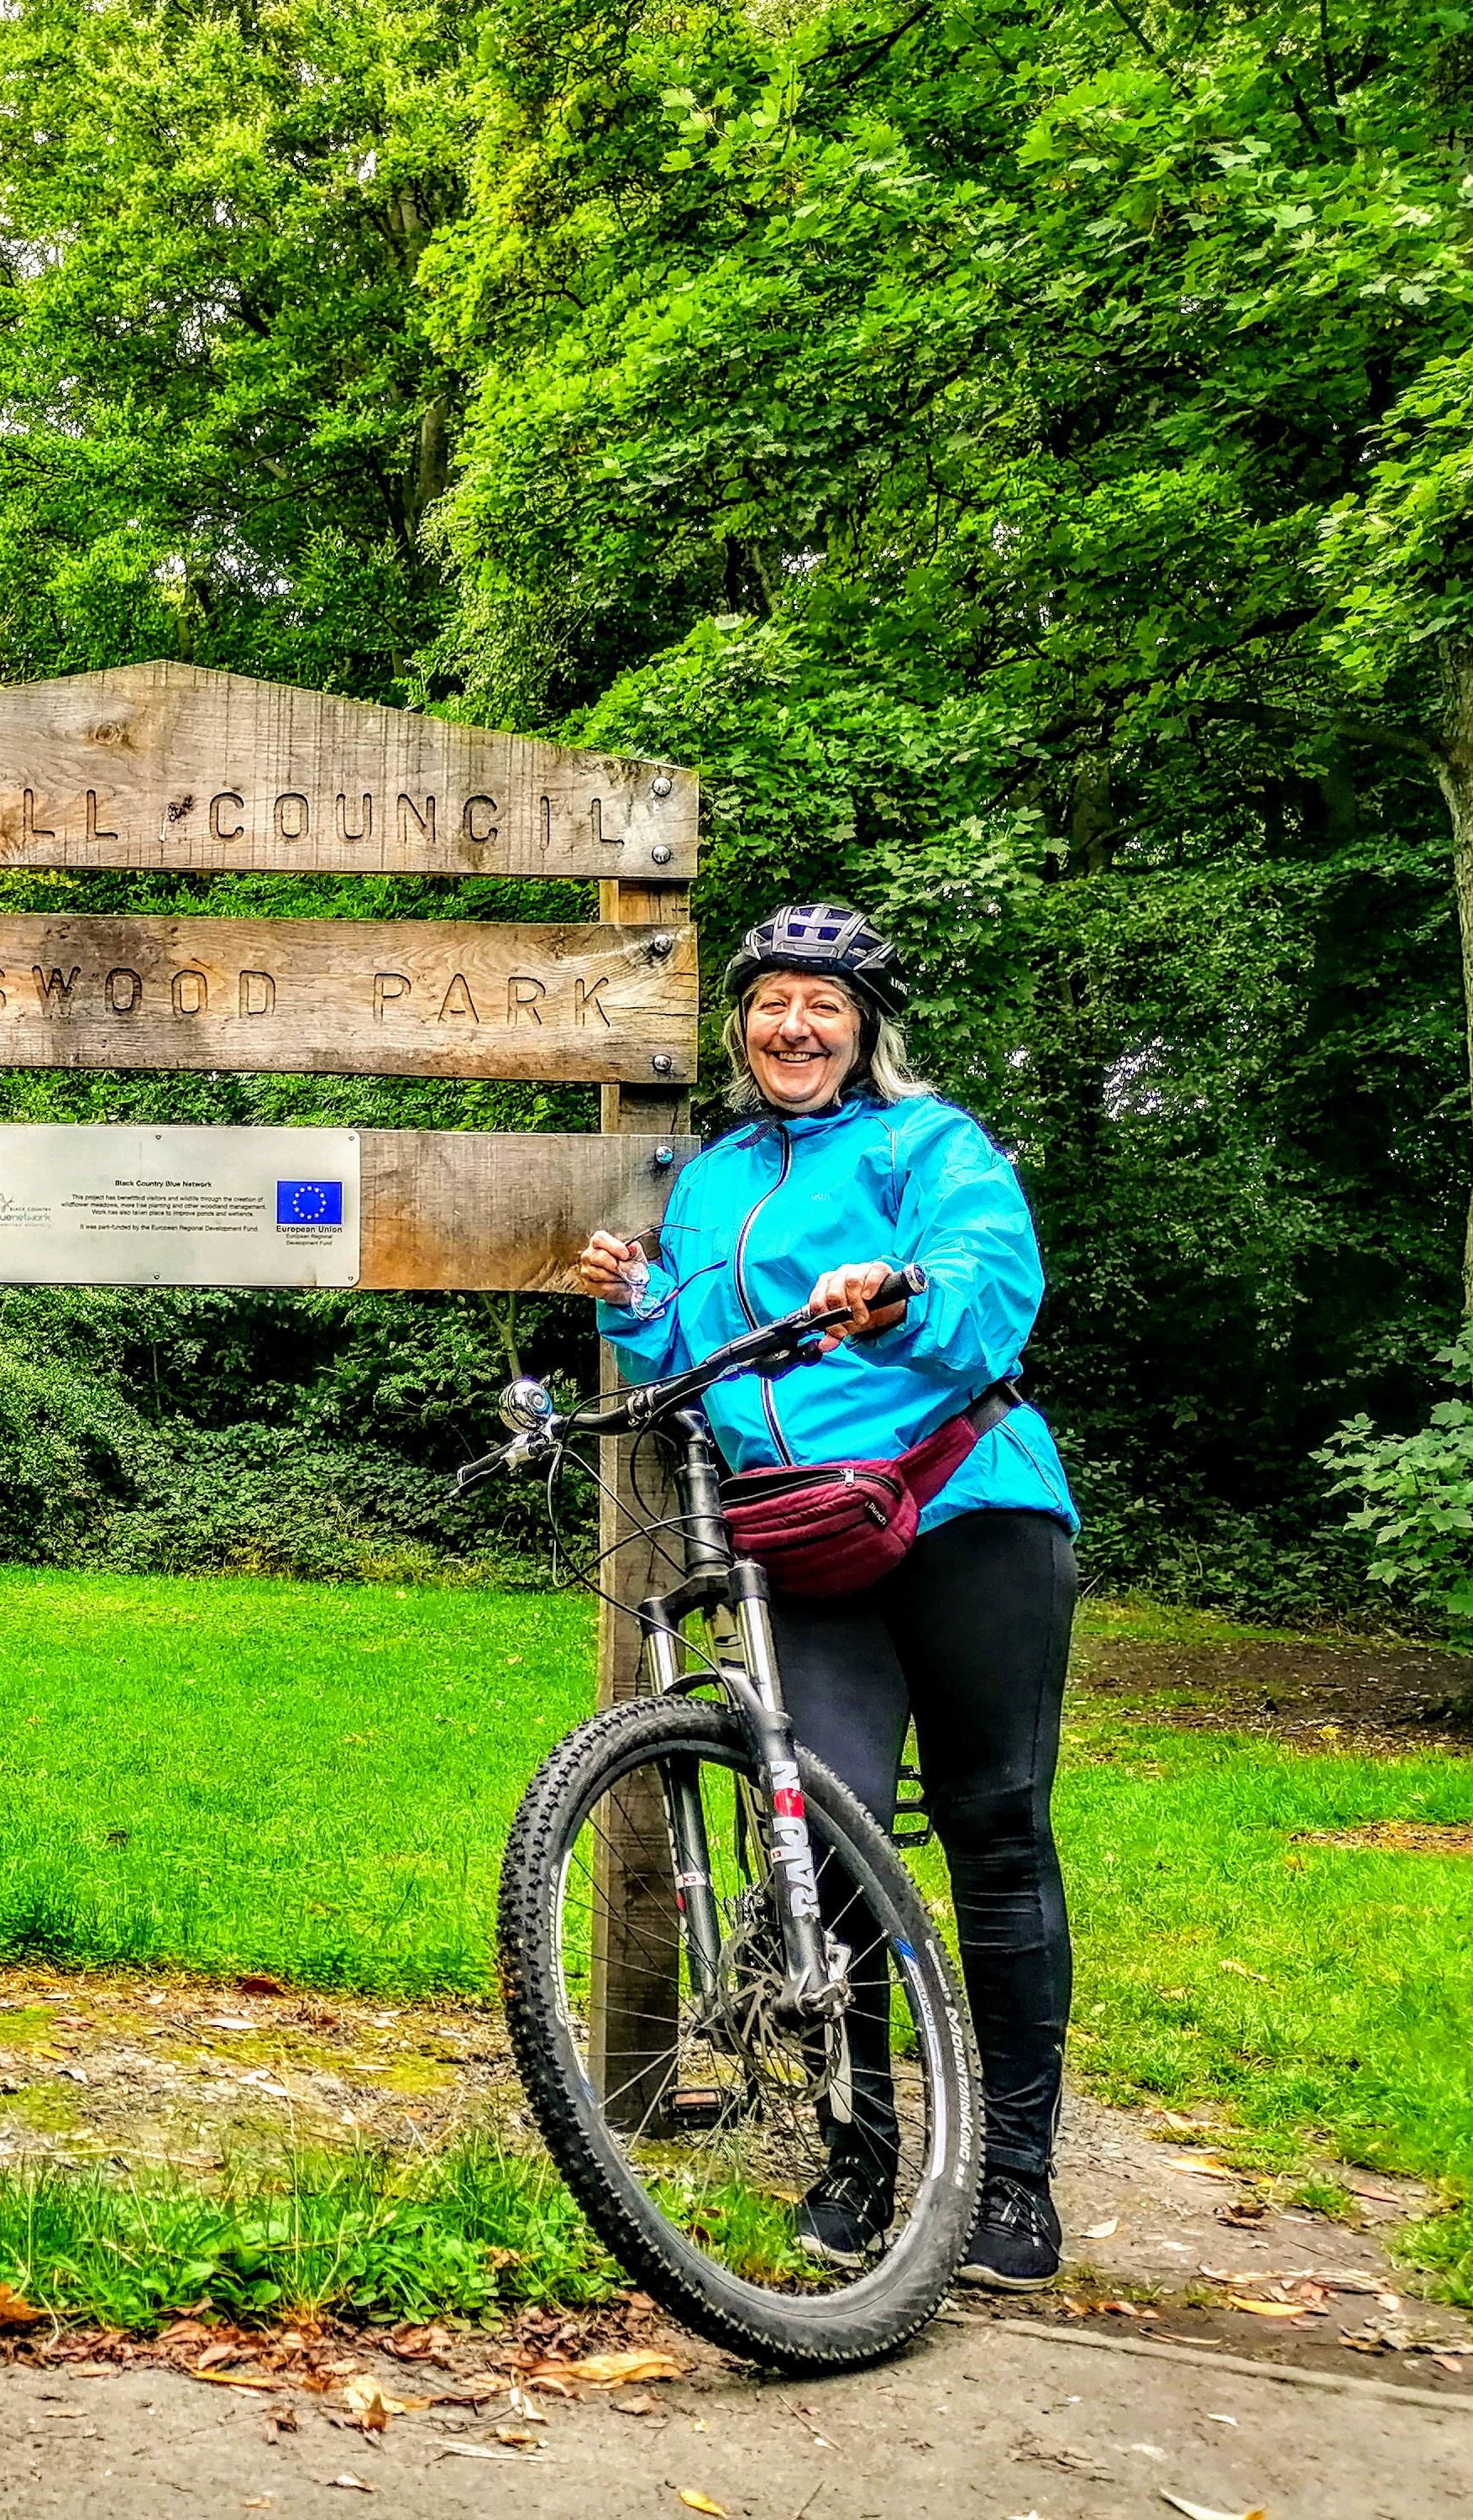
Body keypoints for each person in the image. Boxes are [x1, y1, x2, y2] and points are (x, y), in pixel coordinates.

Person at [572, 902, 1080, 2291]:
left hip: (967, 1510)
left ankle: (1018, 2183)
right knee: (832, 1848)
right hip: (803, 1538)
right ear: (742, 1024)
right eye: (772, 1004)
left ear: (864, 1030)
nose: (793, 1028)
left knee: (994, 1830)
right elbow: (695, 1342)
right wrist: (633, 1300)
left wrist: (901, 1292)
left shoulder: (931, 1147)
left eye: (824, 1007)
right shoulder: (720, 1176)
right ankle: (860, 2155)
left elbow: (992, 1287)